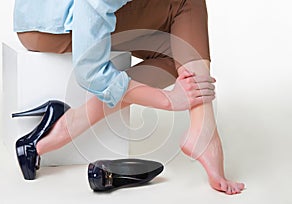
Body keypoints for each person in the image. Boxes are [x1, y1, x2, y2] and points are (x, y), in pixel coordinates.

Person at [13, 0, 244, 194]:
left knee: (178, 48)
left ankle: (64, 124)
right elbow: (90, 71)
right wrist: (167, 99)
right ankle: (205, 131)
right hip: (53, 26)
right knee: (187, 2)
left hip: (44, 19)